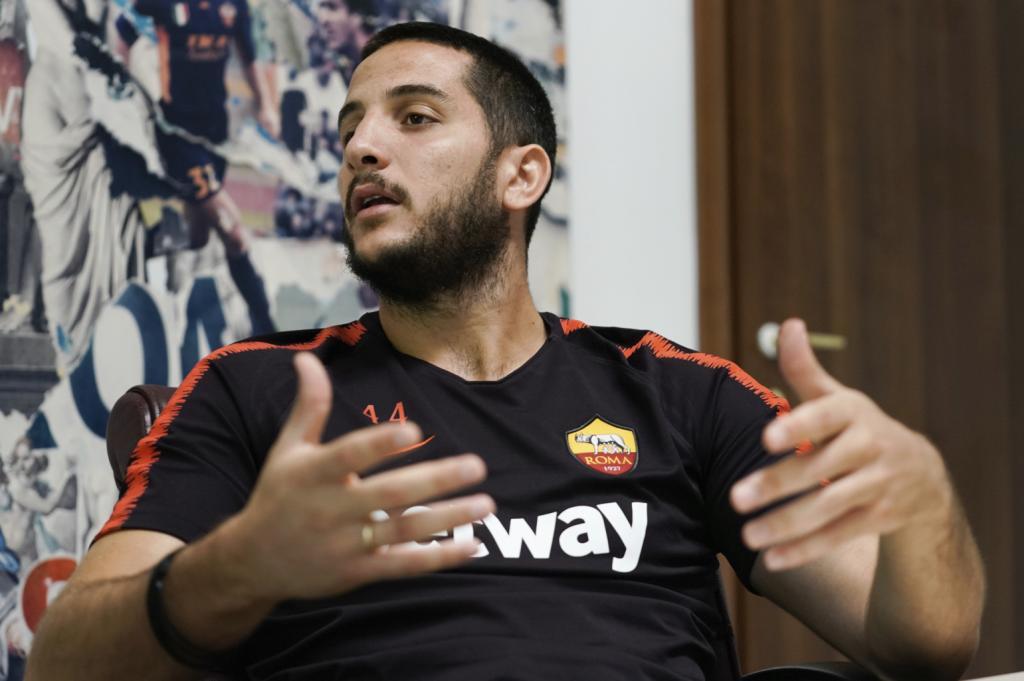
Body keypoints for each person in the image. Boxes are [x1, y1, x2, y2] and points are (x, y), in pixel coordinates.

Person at [24, 22, 984, 681]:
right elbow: (64, 664)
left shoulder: (679, 394)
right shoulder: (254, 389)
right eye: (352, 128)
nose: (361, 148)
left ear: (522, 175)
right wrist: (236, 568)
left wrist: (923, 498)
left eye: (414, 117)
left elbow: (929, 644)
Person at [115, 0, 279, 335]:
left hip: (214, 137)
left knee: (198, 237)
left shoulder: (233, 6)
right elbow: (123, 31)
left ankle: (148, 253)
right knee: (234, 234)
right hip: (177, 136)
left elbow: (249, 55)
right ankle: (267, 329)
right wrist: (123, 92)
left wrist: (266, 106)